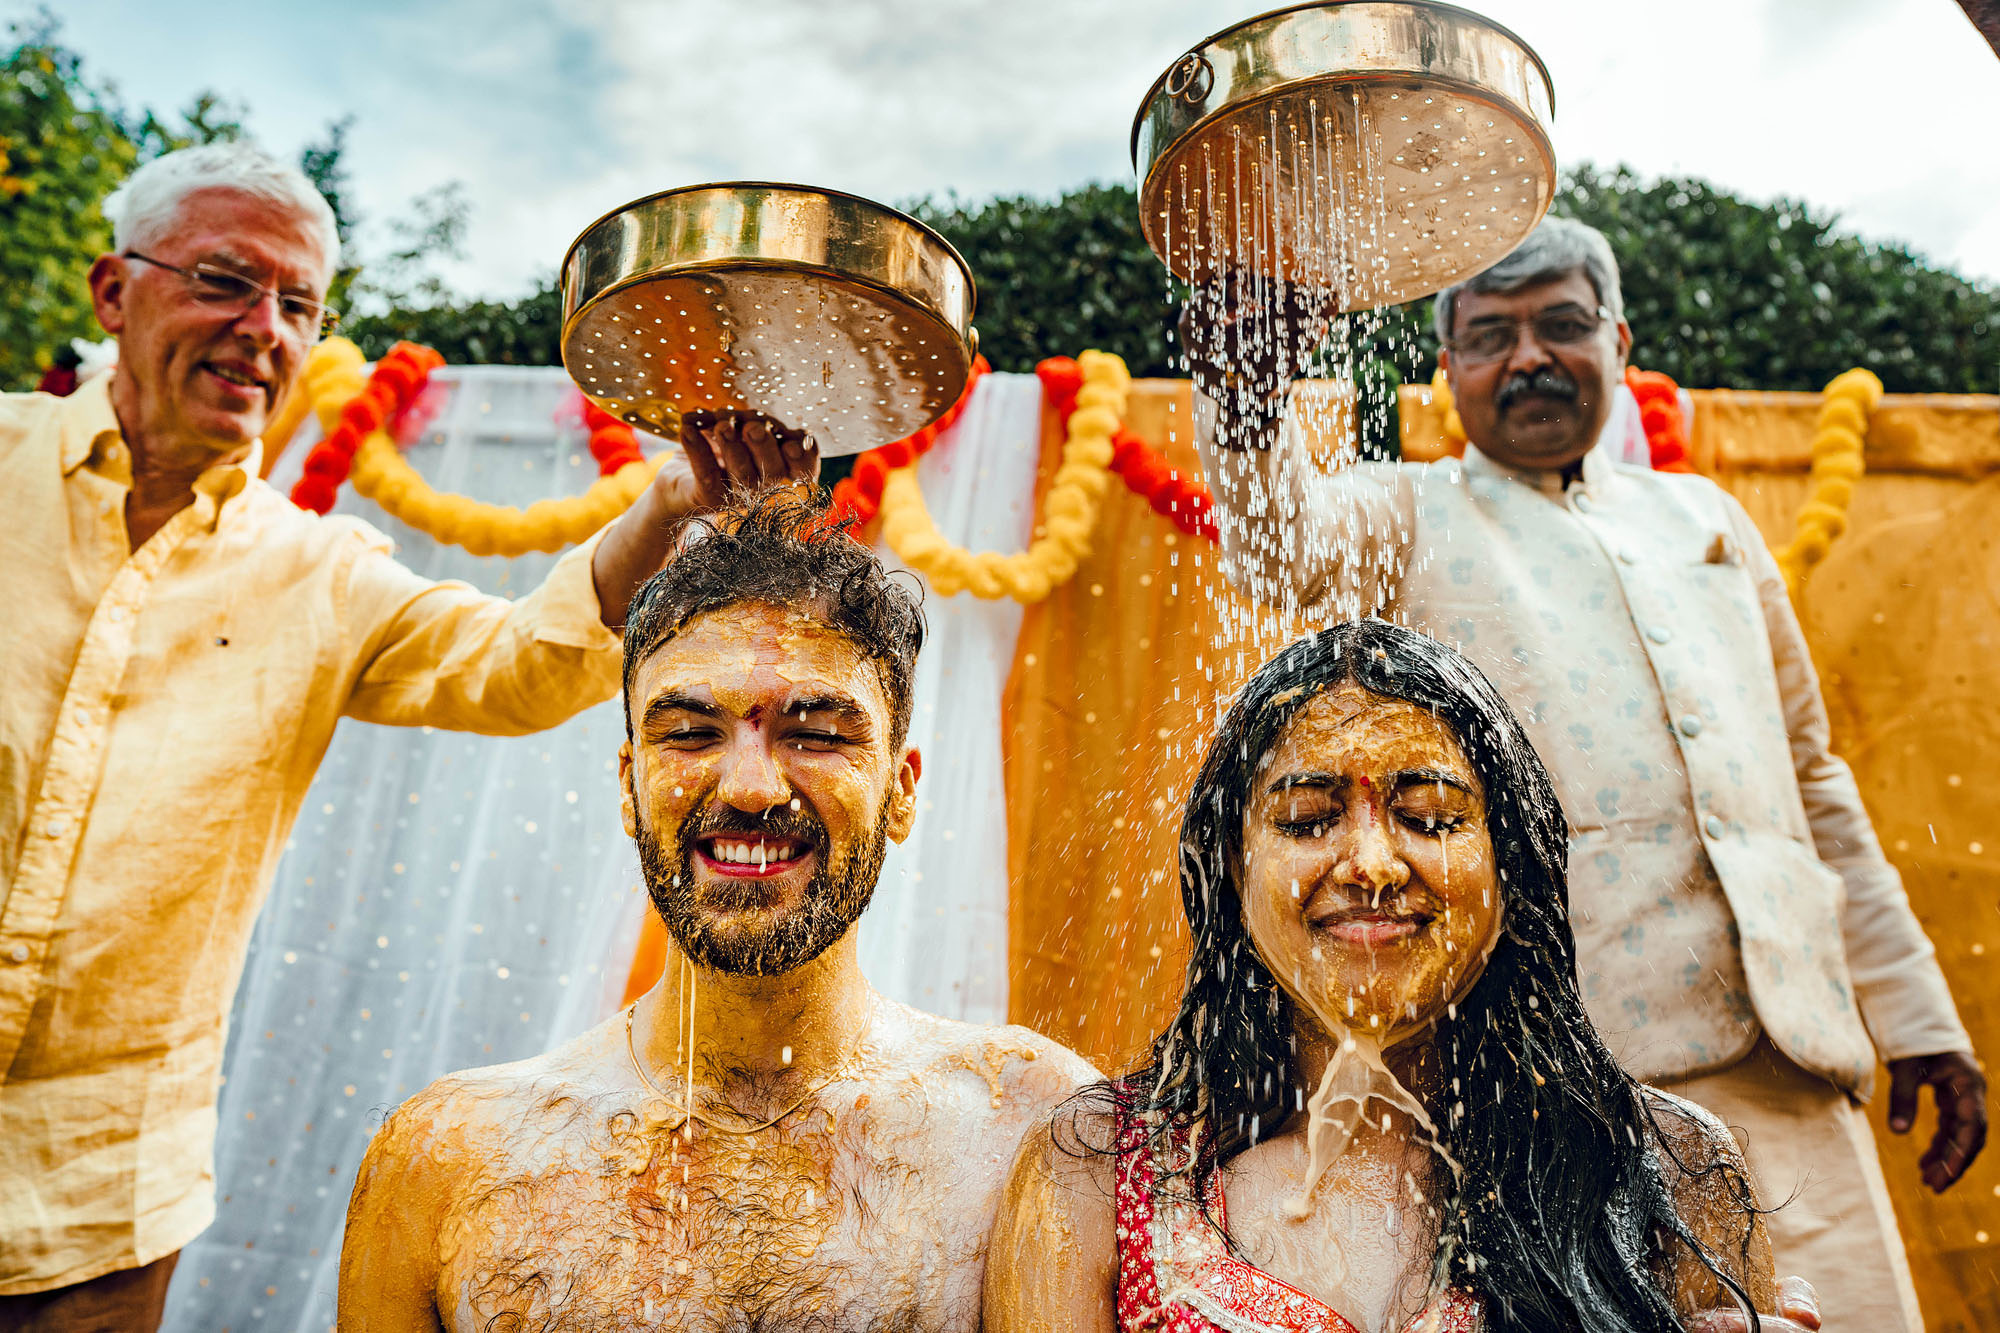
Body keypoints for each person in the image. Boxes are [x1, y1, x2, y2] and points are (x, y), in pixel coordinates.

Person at [0, 142, 814, 1328]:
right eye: (225, 282)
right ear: (114, 292)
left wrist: (670, 504)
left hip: (98, 1207)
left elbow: (517, 666)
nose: (263, 331)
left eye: (299, 306)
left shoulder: (316, 572)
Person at [1186, 216, 1983, 1329]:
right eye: (1490, 336)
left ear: (1619, 341)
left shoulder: (1706, 520)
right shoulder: (1409, 513)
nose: (1528, 358)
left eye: (1560, 325)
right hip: (1573, 1091)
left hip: (1797, 1062)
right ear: (1447, 365)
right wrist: (1245, 400)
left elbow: (1811, 784)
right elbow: (1278, 536)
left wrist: (1918, 1019)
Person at [336, 489, 1096, 1330]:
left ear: (902, 789)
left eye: (817, 733)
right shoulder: (446, 1159)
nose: (752, 786)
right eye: (692, 733)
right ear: (628, 784)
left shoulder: (1035, 1128)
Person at [986, 619, 1824, 1333]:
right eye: (1307, 819)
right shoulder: (1098, 1172)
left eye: (1428, 816)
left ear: (1512, 865)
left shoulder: (1661, 1164)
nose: (1372, 863)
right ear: (1231, 870)